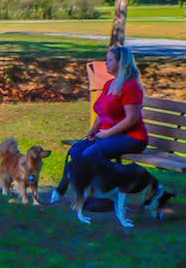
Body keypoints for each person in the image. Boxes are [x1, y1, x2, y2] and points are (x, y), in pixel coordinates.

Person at [50, 45, 148, 203]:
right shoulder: (109, 84)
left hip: (132, 138)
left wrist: (106, 134)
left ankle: (100, 196)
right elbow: (101, 111)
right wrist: (94, 130)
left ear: (121, 62)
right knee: (76, 152)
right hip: (109, 135)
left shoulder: (131, 87)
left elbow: (132, 119)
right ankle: (85, 191)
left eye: (110, 60)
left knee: (90, 155)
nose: (106, 63)